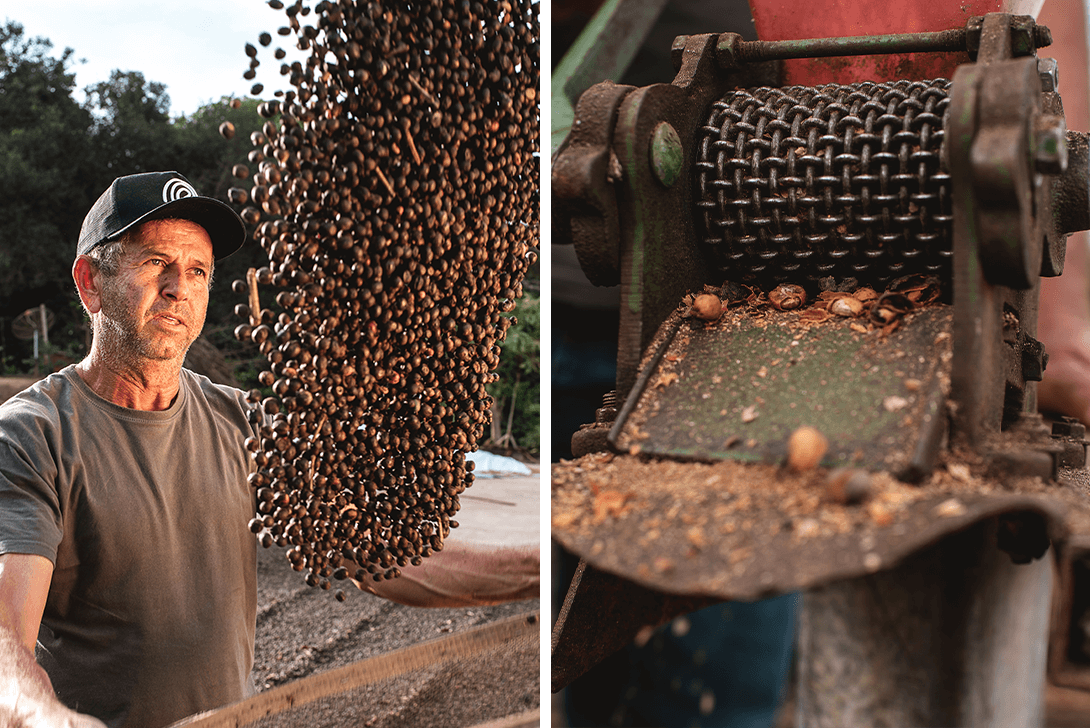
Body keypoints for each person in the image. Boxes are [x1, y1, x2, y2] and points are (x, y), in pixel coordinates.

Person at [0, 171, 538, 728]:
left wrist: (543, 567)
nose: (178, 287)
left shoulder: (246, 422)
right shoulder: (32, 436)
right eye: (155, 262)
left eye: (198, 271)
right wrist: (54, 721)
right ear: (90, 281)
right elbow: (5, 649)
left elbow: (381, 562)